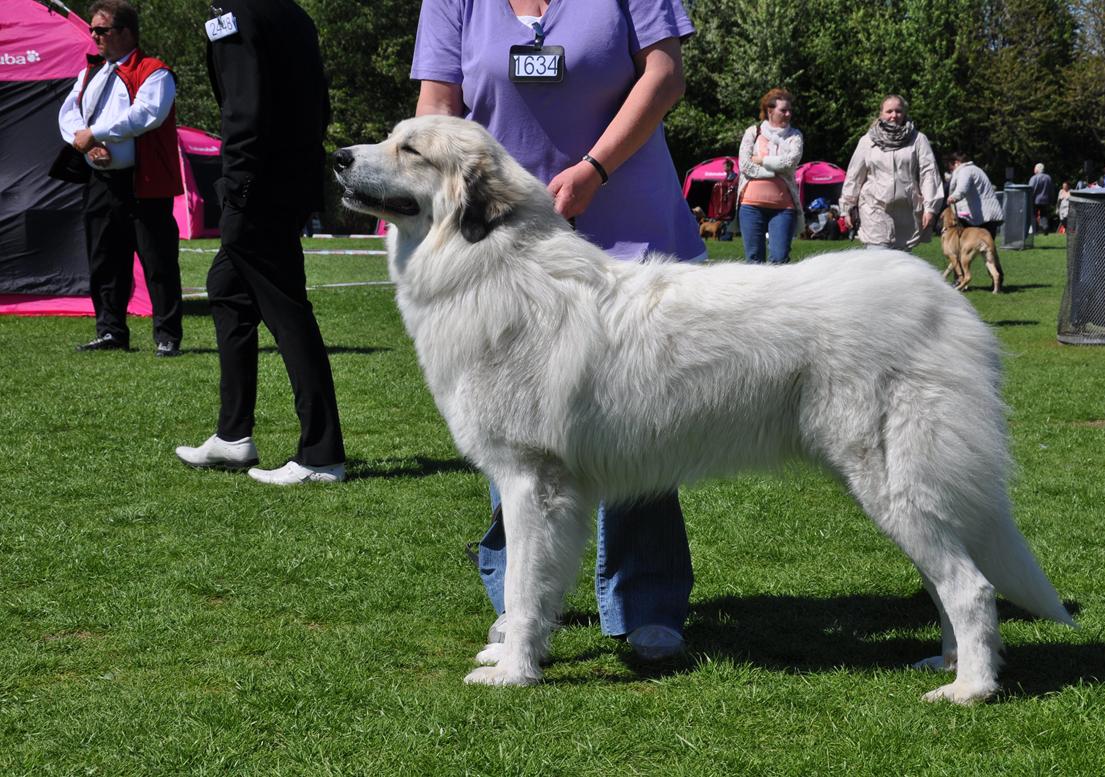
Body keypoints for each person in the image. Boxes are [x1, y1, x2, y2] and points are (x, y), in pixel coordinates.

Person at [412, 0, 705, 659]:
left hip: (628, 227)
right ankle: (522, 604)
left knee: (638, 425)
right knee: (513, 435)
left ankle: (645, 600)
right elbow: (438, 103)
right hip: (501, 238)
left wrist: (594, 169)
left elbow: (665, 73)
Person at [175, 0, 346, 486]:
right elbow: (320, 104)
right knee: (225, 287)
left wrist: (238, 190)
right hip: (290, 181)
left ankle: (321, 454)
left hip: (258, 189)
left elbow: (243, 109)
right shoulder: (292, 13)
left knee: (287, 311)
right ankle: (233, 436)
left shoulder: (235, 14)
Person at [57, 0, 183, 356]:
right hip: (103, 182)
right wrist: (85, 143)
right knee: (104, 259)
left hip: (145, 182)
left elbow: (146, 115)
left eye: (102, 30)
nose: (94, 35)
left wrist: (95, 133)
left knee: (157, 261)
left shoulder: (155, 72)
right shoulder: (91, 73)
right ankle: (111, 330)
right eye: (94, 29)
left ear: (126, 32)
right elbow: (69, 114)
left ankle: (167, 335)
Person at [839, 94, 943, 250]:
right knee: (878, 259)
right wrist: (847, 207)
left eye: (898, 111)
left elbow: (929, 174)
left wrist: (930, 208)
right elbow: (854, 176)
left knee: (901, 266)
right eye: (889, 111)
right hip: (874, 208)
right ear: (881, 114)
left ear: (904, 113)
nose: (894, 115)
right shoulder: (867, 141)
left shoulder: (918, 139)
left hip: (906, 212)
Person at [737, 88, 803, 263]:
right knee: (753, 261)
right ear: (770, 110)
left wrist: (760, 159)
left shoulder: (794, 136)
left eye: (790, 110)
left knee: (780, 259)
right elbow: (744, 165)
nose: (788, 114)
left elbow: (790, 163)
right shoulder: (753, 132)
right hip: (750, 206)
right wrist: (774, 170)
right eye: (783, 110)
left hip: (783, 208)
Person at [945, 152, 1004, 239]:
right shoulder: (976, 169)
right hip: (989, 216)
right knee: (988, 250)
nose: (952, 171)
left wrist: (953, 197)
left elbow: (962, 188)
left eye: (951, 168)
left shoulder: (965, 170)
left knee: (968, 247)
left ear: (957, 163)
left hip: (981, 218)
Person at [1029, 162, 1055, 235]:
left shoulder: (1034, 178)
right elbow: (1051, 190)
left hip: (1035, 200)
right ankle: (1045, 226)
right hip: (1046, 200)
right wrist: (1051, 199)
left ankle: (1035, 231)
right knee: (1044, 214)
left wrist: (1030, 199)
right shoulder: (1048, 177)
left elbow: (1031, 189)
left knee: (1034, 215)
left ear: (1037, 169)